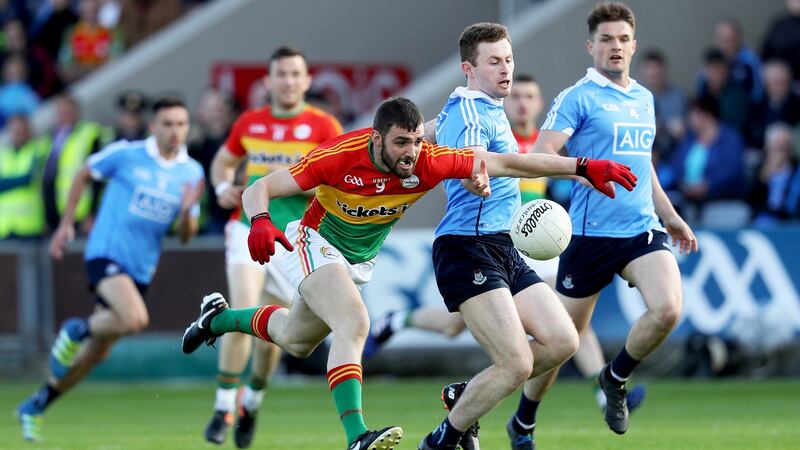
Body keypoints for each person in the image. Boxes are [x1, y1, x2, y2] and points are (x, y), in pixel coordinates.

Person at [180, 97, 636, 450]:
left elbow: (508, 162)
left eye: (417, 142)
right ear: (376, 139)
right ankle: (357, 436)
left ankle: (216, 318)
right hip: (315, 240)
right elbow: (261, 187)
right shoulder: (341, 154)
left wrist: (580, 167)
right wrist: (259, 220)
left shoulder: (428, 160)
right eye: (401, 143)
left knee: (295, 338)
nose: (411, 153)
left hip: (358, 259)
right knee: (355, 323)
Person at [364, 74, 646, 419]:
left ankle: (597, 396)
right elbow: (437, 141)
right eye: (518, 97)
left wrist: (587, 177)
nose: (522, 102)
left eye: (530, 96)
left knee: (568, 328)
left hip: (533, 245)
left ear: (540, 104)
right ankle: (397, 321)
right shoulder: (481, 130)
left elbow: (561, 175)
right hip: (484, 242)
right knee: (456, 327)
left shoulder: (544, 148)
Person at [518, 3, 697, 447]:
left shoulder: (643, 98)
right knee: (561, 345)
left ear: (633, 46)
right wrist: (586, 168)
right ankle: (523, 420)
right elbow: (542, 154)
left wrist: (670, 215)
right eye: (606, 40)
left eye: (622, 39)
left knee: (669, 309)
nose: (614, 47)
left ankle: (614, 378)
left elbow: (643, 165)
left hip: (641, 230)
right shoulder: (577, 97)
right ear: (591, 46)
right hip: (589, 235)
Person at [15, 97, 205, 442]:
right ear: (152, 127)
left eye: (181, 124)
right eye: (167, 124)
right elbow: (83, 174)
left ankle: (37, 404)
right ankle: (75, 329)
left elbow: (186, 236)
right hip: (106, 252)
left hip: (141, 268)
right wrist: (66, 224)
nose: (175, 131)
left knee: (96, 355)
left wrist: (186, 214)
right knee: (135, 319)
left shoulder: (191, 173)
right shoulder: (126, 154)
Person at [202, 46, 342, 448]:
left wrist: (298, 181)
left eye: (295, 74)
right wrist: (221, 186)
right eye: (281, 74)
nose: (288, 81)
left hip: (296, 237)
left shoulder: (323, 124)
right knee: (241, 303)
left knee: (273, 334)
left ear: (307, 80)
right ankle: (222, 406)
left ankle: (253, 400)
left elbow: (339, 174)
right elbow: (223, 162)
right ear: (268, 81)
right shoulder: (250, 121)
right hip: (247, 227)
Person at [0, 115, 49, 239]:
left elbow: (30, 178)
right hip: (5, 227)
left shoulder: (38, 150)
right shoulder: (3, 155)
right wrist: (20, 180)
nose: (18, 133)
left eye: (22, 130)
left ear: (28, 130)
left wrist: (6, 182)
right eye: (15, 130)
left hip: (30, 227)